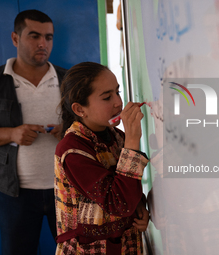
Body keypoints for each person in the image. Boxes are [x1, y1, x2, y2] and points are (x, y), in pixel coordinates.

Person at [0, 9, 67, 255]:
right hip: (14, 193)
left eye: (48, 37)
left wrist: (69, 131)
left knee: (75, 251)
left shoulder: (68, 80)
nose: (42, 43)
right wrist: (12, 134)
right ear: (15, 38)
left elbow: (91, 125)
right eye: (34, 36)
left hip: (67, 189)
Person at [55, 62, 149, 254]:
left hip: (125, 244)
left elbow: (129, 190)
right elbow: (118, 202)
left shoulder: (116, 136)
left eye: (117, 92)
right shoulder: (72, 151)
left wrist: (139, 206)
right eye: (107, 97)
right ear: (80, 110)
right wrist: (132, 139)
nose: (118, 102)